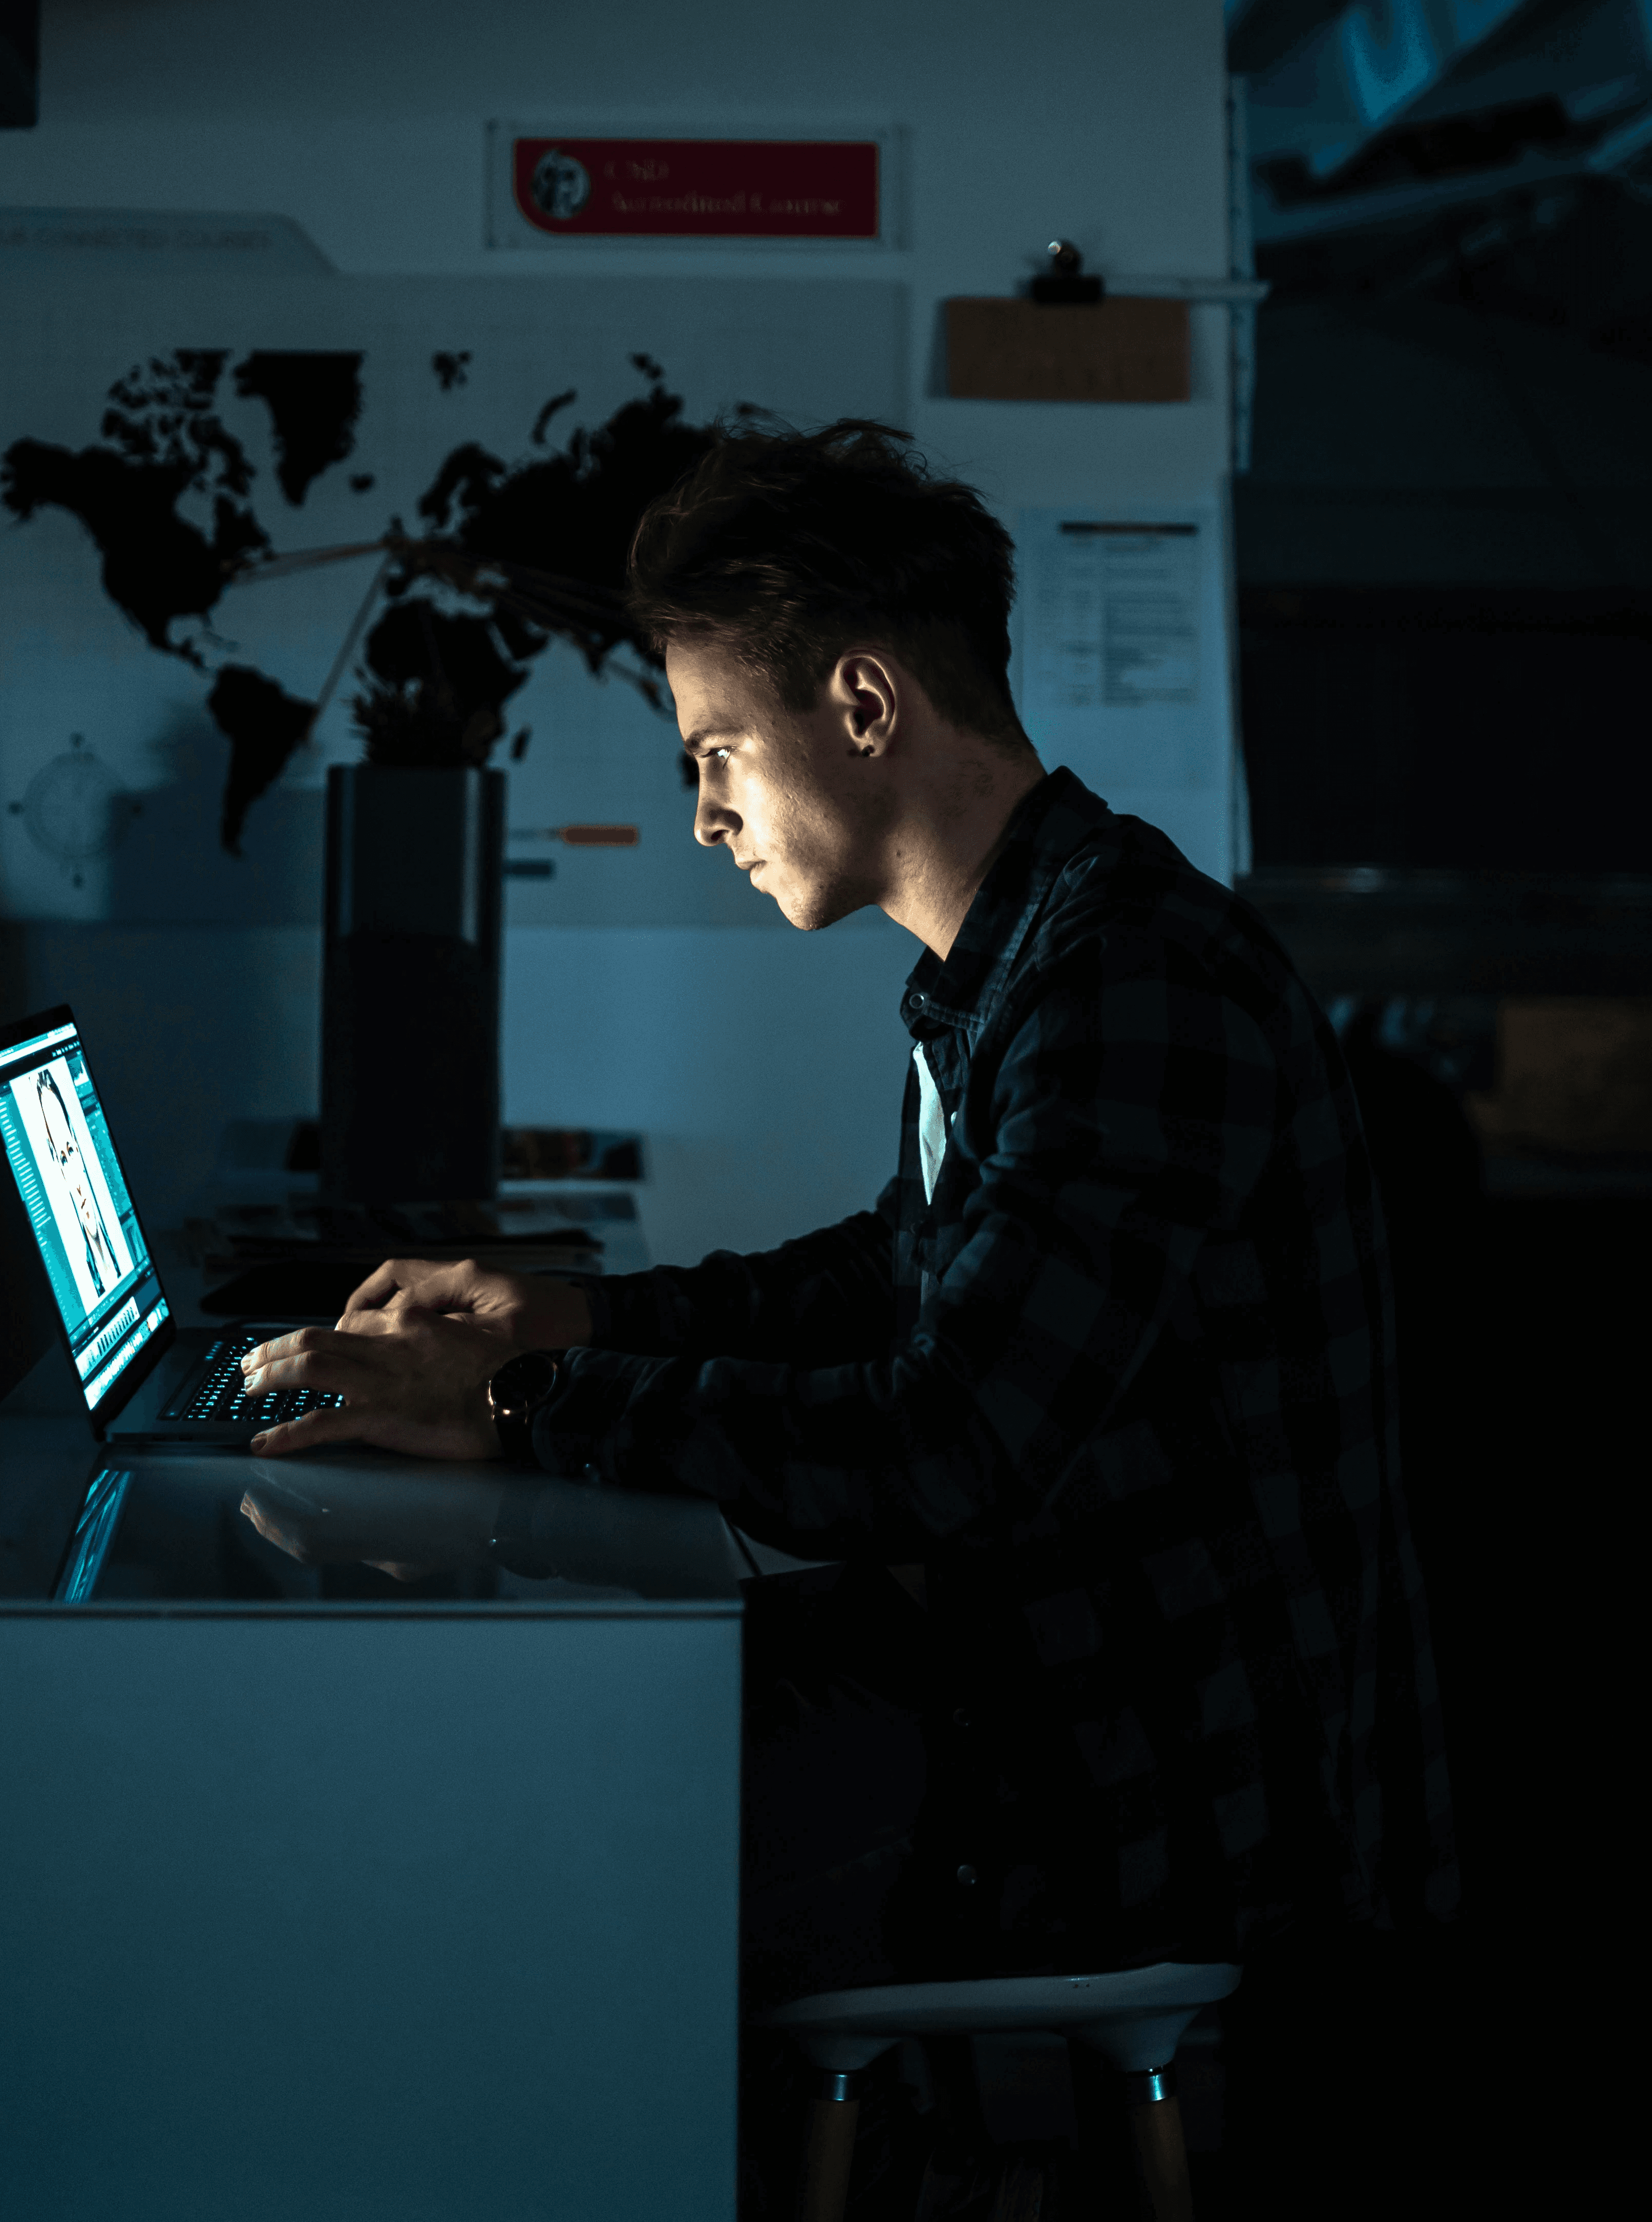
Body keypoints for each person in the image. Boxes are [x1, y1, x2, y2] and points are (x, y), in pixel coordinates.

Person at [239, 421, 1456, 2194]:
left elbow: (953, 1441)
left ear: (865, 706)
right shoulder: (1017, 967)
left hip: (1148, 1793)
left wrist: (514, 1415)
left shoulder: (1127, 983)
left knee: (515, 1881)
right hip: (1023, 1702)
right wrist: (557, 1324)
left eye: (719, 749)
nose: (706, 810)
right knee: (539, 1777)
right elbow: (884, 1285)